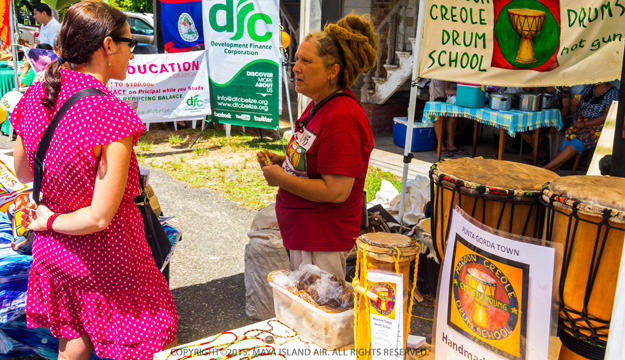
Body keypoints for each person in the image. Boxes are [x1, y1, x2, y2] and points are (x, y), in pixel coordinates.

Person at [10, 2, 177, 359]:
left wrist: (49, 218)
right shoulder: (110, 114)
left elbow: (24, 171)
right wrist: (52, 219)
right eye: (129, 43)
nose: (133, 52)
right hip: (109, 258)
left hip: (54, 253)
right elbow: (100, 217)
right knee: (153, 340)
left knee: (74, 340)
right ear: (108, 46)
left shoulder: (36, 94)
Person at [257, 14, 377, 279]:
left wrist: (281, 179)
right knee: (306, 310)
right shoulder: (320, 104)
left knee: (320, 314)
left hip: (322, 240)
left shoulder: (342, 116)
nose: (295, 67)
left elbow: (335, 191)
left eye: (306, 61)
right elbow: (315, 161)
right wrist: (284, 163)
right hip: (306, 235)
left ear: (332, 71)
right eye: (297, 59)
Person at [543, 82, 618, 171]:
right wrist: (574, 105)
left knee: (578, 141)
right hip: (580, 123)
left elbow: (607, 116)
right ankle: (549, 170)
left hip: (597, 126)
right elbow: (574, 110)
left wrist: (585, 124)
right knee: (568, 139)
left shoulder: (613, 93)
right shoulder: (588, 90)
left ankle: (546, 168)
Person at [429, 80, 466, 156]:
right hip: (439, 84)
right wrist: (446, 89)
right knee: (439, 115)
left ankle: (450, 144)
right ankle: (440, 146)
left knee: (453, 114)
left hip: (452, 82)